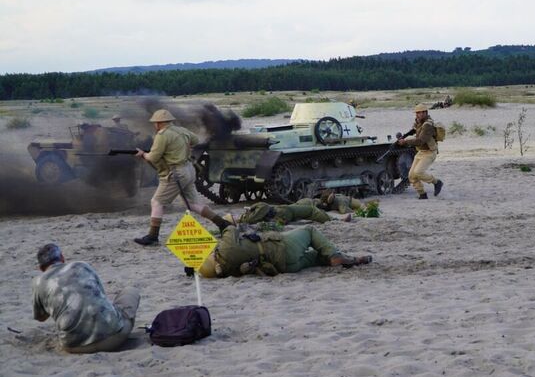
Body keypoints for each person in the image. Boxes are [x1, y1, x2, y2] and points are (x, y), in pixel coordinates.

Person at [134, 109, 230, 246]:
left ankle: (153, 236)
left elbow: (153, 157)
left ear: (159, 123)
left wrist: (143, 154)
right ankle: (223, 224)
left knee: (157, 202)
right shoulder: (182, 130)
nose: (154, 125)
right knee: (194, 205)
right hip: (188, 170)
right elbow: (195, 140)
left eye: (155, 123)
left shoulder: (162, 135)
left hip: (176, 173)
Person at [32, 244, 140, 353]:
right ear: (62, 258)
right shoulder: (81, 265)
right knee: (131, 291)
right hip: (113, 339)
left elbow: (41, 317)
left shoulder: (38, 282)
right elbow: (100, 294)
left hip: (73, 347)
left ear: (41, 268)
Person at [198, 225, 372, 278]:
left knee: (315, 258)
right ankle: (335, 256)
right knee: (309, 231)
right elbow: (229, 227)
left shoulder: (228, 271)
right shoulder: (226, 248)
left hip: (285, 267)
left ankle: (352, 259)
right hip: (283, 249)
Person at [396, 104, 444, 199]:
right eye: (418, 112)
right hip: (421, 151)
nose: (420, 114)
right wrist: (404, 137)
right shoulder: (418, 122)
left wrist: (405, 142)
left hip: (430, 152)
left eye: (423, 112)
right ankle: (422, 194)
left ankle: (437, 182)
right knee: (411, 176)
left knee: (418, 172)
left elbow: (420, 141)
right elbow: (413, 131)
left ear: (426, 113)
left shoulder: (427, 125)